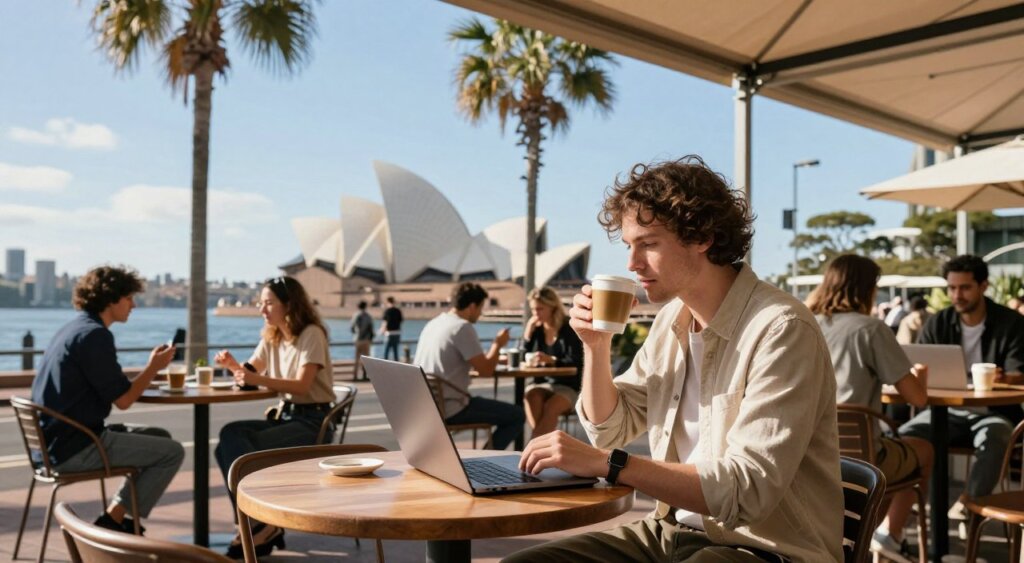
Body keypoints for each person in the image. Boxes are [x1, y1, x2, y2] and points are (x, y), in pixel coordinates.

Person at [506, 156, 843, 562]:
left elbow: (747, 490)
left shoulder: (781, 329)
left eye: (648, 244)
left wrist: (608, 464)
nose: (632, 263)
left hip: (765, 549)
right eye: (630, 246)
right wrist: (595, 347)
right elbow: (610, 430)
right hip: (671, 533)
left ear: (702, 237)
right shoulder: (672, 321)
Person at [31, 265, 184, 534]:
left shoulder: (73, 329)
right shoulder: (95, 336)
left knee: (159, 436)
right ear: (111, 298)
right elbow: (124, 400)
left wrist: (149, 369)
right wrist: (153, 368)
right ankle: (116, 521)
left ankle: (120, 519)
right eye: (129, 298)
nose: (133, 305)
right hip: (75, 448)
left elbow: (114, 387)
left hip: (50, 447)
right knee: (172, 452)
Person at [807, 255, 933, 562]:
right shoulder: (871, 329)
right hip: (860, 457)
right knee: (924, 450)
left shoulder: (805, 321)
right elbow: (917, 399)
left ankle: (859, 538)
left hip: (809, 452)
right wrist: (920, 376)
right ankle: (889, 536)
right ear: (867, 288)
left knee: (887, 457)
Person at [213, 276, 335, 558]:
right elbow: (252, 369)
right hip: (287, 417)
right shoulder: (273, 335)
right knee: (228, 440)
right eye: (261, 303)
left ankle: (257, 524)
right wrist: (234, 367)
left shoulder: (311, 334)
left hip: (313, 422)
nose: (262, 309)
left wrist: (256, 378)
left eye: (268, 303)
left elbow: (303, 385)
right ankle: (258, 523)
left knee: (235, 443)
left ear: (289, 304)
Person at [899, 255, 1024, 523]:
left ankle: (968, 506)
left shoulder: (1011, 323)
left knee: (998, 436)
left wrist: (1003, 377)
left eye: (965, 288)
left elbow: (1019, 374)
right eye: (952, 288)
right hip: (943, 412)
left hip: (993, 412)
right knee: (904, 437)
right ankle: (903, 522)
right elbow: (920, 367)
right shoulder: (938, 322)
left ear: (983, 286)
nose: (957, 295)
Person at [415, 282, 525, 450]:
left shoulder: (435, 323)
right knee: (517, 415)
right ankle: (488, 459)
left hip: (428, 406)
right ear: (472, 306)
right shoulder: (462, 327)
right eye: (481, 308)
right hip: (452, 408)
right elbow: (486, 371)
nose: (481, 313)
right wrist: (498, 344)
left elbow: (458, 361)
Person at [522, 286, 583, 439]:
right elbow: (525, 358)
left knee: (551, 406)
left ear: (553, 307)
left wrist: (552, 361)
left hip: (569, 386)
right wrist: (527, 335)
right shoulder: (537, 329)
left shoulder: (568, 328)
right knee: (531, 396)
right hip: (544, 383)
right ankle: (541, 447)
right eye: (533, 310)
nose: (536, 314)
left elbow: (576, 361)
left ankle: (533, 448)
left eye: (540, 309)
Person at [350, 300, 374, 380]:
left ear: (358, 306)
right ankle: (364, 375)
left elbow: (352, 327)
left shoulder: (355, 315)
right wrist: (370, 338)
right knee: (366, 359)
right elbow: (371, 329)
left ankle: (355, 376)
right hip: (366, 340)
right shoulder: (368, 316)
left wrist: (355, 334)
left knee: (356, 359)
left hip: (357, 339)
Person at [379, 296, 404, 361]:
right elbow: (401, 321)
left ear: (387, 302)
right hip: (397, 333)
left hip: (389, 334)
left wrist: (381, 331)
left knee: (386, 352)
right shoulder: (398, 311)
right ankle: (397, 368)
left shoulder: (387, 311)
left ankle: (384, 369)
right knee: (396, 352)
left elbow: (385, 323)